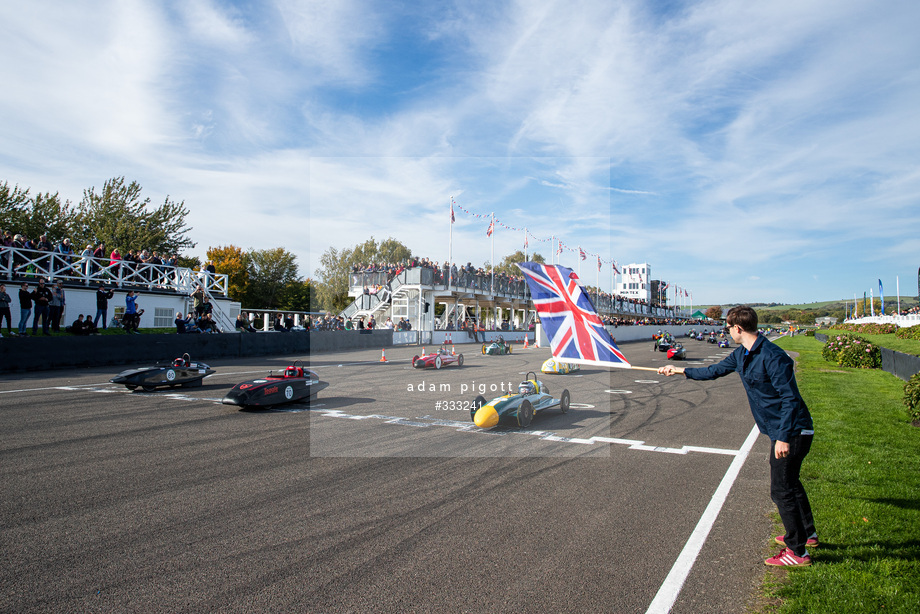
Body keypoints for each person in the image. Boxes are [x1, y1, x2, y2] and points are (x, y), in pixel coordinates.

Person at [659, 305, 817, 567]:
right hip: (782, 429)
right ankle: (806, 534)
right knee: (791, 484)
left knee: (782, 490)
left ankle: (797, 553)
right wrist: (679, 371)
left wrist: (784, 437)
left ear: (738, 328)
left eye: (729, 328)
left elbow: (790, 398)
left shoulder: (773, 357)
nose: (728, 331)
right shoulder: (742, 354)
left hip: (793, 430)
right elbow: (713, 371)